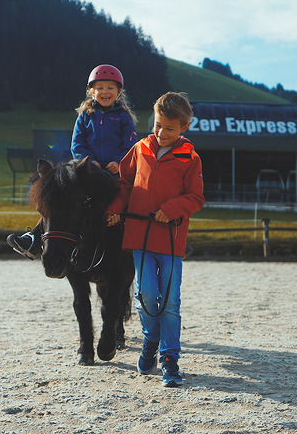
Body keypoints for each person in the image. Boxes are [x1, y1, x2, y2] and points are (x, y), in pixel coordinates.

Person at [105, 92, 204, 387]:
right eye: (158, 125)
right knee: (146, 295)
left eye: (169, 129)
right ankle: (150, 340)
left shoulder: (190, 158)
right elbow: (124, 183)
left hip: (172, 242)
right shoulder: (139, 149)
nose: (161, 133)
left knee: (170, 302)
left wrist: (171, 209)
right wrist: (114, 209)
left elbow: (196, 197)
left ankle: (169, 360)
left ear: (183, 128)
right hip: (140, 238)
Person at [7, 64, 138, 259]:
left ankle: (151, 241)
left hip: (114, 171)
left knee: (136, 194)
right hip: (87, 170)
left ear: (119, 92)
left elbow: (130, 145)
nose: (105, 92)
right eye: (100, 87)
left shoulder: (124, 118)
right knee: (59, 196)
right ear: (91, 91)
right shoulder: (85, 116)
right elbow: (77, 143)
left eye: (110, 87)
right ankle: (33, 238)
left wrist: (119, 162)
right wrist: (87, 161)